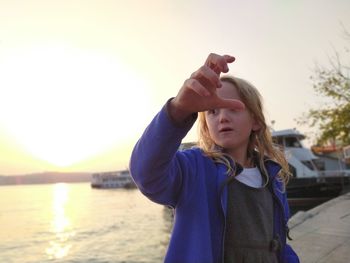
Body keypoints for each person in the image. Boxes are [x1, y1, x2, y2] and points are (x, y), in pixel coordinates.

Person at [129, 53, 300, 263]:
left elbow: (278, 242)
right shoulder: (193, 169)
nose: (223, 117)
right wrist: (179, 109)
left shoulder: (272, 176)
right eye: (213, 111)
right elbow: (146, 174)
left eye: (232, 108)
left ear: (255, 120)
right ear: (206, 128)